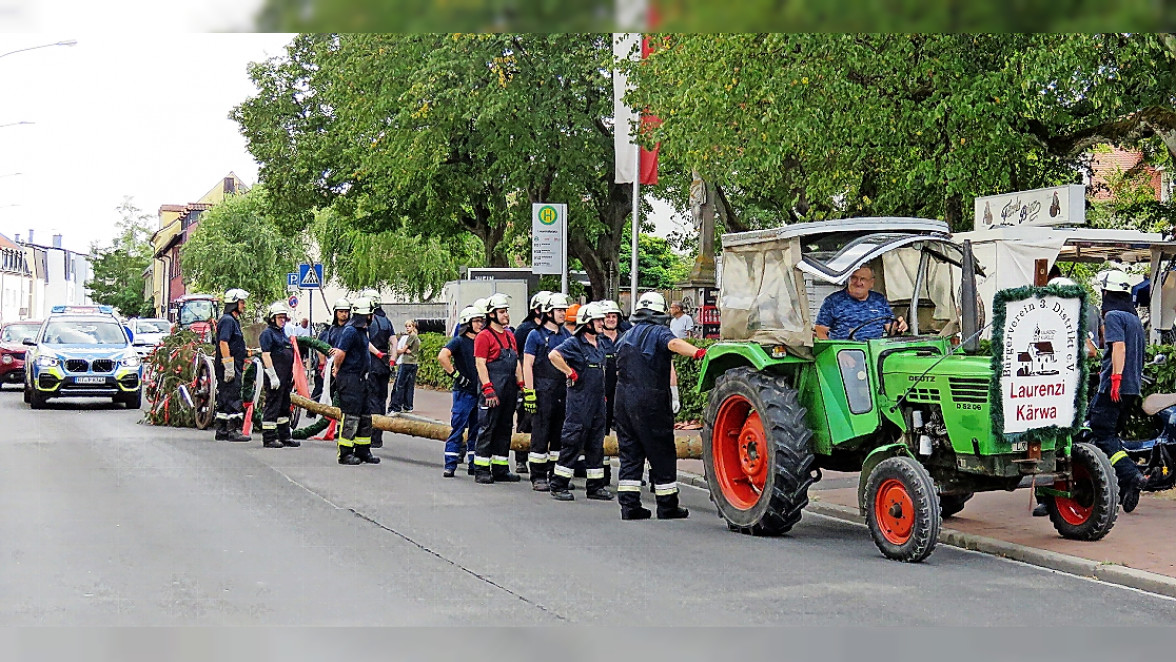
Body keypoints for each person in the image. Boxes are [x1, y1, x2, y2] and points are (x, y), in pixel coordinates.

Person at [614, 291, 708, 520]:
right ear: (660, 312)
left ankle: (629, 506)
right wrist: (698, 352)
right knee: (662, 451)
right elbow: (674, 343)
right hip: (651, 400)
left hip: (623, 400)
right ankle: (667, 506)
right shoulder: (658, 332)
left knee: (630, 453)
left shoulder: (626, 335)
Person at [1088, 270, 1155, 512]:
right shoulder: (1134, 318)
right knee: (1113, 436)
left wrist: (1114, 378)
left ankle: (1131, 475)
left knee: (1101, 430)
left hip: (1115, 388)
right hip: (1131, 389)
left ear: (1107, 292)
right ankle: (1126, 485)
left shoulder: (1114, 315)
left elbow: (1119, 348)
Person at [548, 302, 614, 502]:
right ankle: (558, 484)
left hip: (597, 402)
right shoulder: (574, 343)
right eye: (598, 320)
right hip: (579, 402)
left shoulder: (602, 342)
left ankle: (595, 486)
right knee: (573, 441)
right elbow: (553, 355)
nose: (602, 323)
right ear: (587, 323)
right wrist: (569, 372)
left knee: (596, 444)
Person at [522, 292, 572, 491]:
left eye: (564, 310)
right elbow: (528, 364)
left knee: (559, 435)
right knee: (541, 435)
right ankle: (538, 475)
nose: (563, 314)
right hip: (542, 391)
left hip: (562, 391)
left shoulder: (566, 335)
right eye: (560, 310)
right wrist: (529, 392)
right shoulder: (535, 335)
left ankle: (555, 473)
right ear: (548, 313)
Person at [472, 293, 524, 484]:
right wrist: (487, 389)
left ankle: (501, 468)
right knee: (488, 428)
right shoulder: (484, 337)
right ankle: (481, 469)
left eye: (506, 311)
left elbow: (516, 361)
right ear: (491, 314)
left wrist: (521, 384)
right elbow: (480, 364)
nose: (506, 315)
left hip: (509, 388)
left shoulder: (510, 335)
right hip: (493, 389)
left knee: (504, 428)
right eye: (502, 312)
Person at [327, 296, 380, 466]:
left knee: (365, 416)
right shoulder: (350, 331)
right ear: (367, 315)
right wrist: (337, 369)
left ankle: (363, 450)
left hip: (362, 379)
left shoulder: (362, 330)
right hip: (350, 378)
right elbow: (340, 353)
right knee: (350, 416)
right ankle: (345, 453)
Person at [439, 306, 484, 477]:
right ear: (467, 323)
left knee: (476, 430)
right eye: (476, 321)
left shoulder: (481, 341)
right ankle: (450, 464)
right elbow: (443, 356)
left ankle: (473, 464)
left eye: (481, 321)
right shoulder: (459, 341)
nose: (480, 324)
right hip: (463, 393)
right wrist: (456, 375)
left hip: (478, 392)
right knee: (457, 429)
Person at [513, 291, 551, 474]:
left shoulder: (554, 331)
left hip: (548, 383)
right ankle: (521, 458)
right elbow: (518, 357)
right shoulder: (525, 330)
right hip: (529, 382)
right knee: (525, 420)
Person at [814, 265, 908, 340]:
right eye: (854, 278)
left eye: (863, 279)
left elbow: (890, 330)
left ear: (871, 283)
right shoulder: (833, 301)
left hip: (875, 354)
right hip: (843, 355)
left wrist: (899, 327)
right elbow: (820, 331)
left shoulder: (879, 300)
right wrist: (837, 355)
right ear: (848, 279)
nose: (858, 283)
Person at [358, 289, 395, 448]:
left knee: (371, 400)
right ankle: (379, 436)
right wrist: (391, 359)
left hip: (372, 363)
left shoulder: (368, 321)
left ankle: (371, 436)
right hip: (385, 366)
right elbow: (394, 342)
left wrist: (378, 354)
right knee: (381, 400)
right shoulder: (386, 320)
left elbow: (365, 341)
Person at [259, 301, 299, 449]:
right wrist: (272, 375)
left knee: (284, 407)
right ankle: (269, 438)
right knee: (272, 406)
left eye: (284, 317)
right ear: (272, 318)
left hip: (285, 378)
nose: (283, 320)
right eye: (280, 317)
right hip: (275, 377)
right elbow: (266, 355)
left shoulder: (282, 334)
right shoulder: (267, 334)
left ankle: (285, 436)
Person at [213, 288, 251, 442]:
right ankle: (232, 430)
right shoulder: (228, 320)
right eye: (242, 302)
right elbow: (223, 342)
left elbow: (233, 343)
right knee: (233, 396)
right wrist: (229, 366)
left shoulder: (232, 320)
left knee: (224, 397)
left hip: (231, 363)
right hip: (228, 365)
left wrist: (245, 351)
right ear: (234, 303)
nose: (244, 305)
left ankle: (221, 430)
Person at [311, 298, 351, 405]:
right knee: (331, 396)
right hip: (333, 367)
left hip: (347, 368)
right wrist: (324, 366)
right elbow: (326, 349)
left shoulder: (351, 329)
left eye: (346, 312)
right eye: (341, 312)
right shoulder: (333, 329)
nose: (344, 314)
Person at [389, 319, 421, 413]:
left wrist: (394, 349)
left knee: (400, 385)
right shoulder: (417, 338)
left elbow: (402, 350)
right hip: (413, 362)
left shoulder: (411, 337)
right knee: (409, 385)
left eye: (409, 326)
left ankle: (396, 406)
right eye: (406, 326)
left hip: (406, 362)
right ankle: (408, 406)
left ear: (414, 327)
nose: (407, 328)